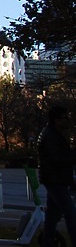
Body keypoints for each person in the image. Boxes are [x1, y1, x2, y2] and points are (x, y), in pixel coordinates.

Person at [37, 106, 76, 247]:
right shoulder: (50, 136)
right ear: (56, 120)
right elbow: (58, 159)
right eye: (65, 118)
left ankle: (48, 242)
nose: (68, 121)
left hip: (55, 178)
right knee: (70, 213)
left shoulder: (53, 134)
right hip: (55, 179)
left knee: (53, 215)